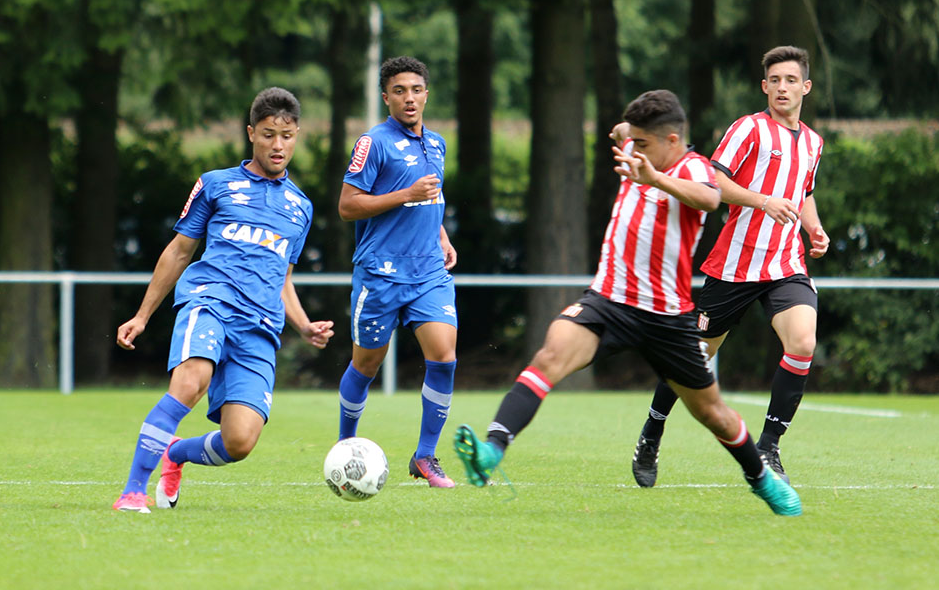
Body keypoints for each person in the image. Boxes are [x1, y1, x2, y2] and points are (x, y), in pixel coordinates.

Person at [454, 89, 802, 515]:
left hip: (667, 317)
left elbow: (711, 199)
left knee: (713, 414)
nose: (634, 150)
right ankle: (492, 450)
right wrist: (626, 132)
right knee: (549, 356)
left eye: (644, 143)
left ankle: (761, 480)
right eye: (632, 142)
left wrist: (653, 178)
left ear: (672, 141)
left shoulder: (693, 167)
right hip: (609, 301)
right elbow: (623, 131)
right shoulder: (637, 147)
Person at [112, 87, 334, 513]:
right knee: (190, 383)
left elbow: (282, 278)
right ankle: (133, 491)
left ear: (297, 135)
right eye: (268, 134)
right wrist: (142, 316)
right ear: (251, 133)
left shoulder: (300, 207)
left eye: (286, 136)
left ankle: (174, 454)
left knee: (240, 442)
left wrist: (303, 324)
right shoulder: (216, 185)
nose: (277, 145)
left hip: (260, 326)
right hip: (209, 301)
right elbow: (179, 251)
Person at [630, 45, 828, 488]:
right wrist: (762, 201)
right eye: (775, 80)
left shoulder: (813, 142)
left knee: (802, 341)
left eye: (791, 80)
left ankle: (769, 446)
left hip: (785, 264)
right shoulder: (748, 129)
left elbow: (804, 191)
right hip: (736, 266)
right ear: (764, 86)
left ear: (805, 87)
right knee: (693, 361)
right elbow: (712, 180)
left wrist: (814, 229)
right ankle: (651, 432)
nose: (782, 87)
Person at [336, 56, 458, 488]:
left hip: (427, 271)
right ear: (386, 96)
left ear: (427, 94)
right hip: (380, 274)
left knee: (443, 354)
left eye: (417, 90)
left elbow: (426, 200)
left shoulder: (437, 144)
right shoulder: (374, 143)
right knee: (366, 366)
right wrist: (406, 193)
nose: (409, 98)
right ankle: (344, 449)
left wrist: (441, 234)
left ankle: (425, 456)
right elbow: (348, 206)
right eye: (400, 91)